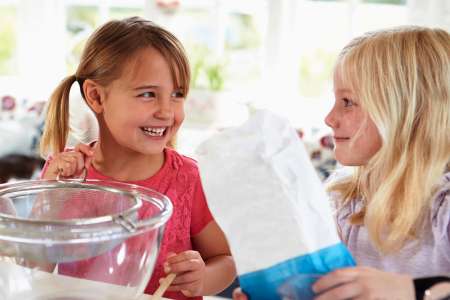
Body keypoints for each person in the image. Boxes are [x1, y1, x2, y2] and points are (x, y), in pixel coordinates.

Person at [234, 26, 450, 300]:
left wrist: (410, 291)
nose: (329, 118)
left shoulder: (444, 209)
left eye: (347, 102)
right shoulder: (344, 200)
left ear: (408, 110)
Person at [39, 17, 236, 299]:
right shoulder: (62, 178)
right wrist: (49, 198)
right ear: (96, 97)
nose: (167, 112)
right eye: (147, 94)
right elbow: (34, 268)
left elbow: (225, 259)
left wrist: (203, 277)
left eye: (177, 94)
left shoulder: (190, 178)